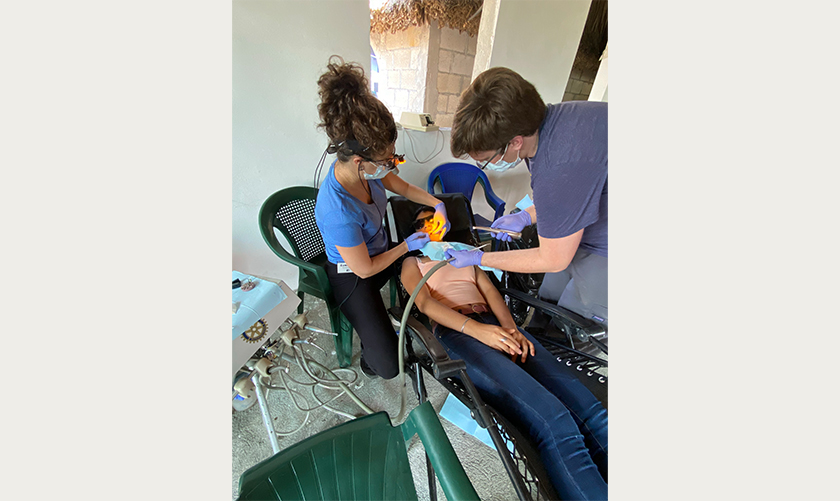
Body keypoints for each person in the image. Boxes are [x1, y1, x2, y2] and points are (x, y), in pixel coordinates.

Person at [401, 206, 608, 501]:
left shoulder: (463, 254)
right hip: (459, 332)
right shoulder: (414, 262)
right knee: (555, 422)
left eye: (436, 219)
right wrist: (478, 331)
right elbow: (425, 305)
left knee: (594, 414)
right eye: (424, 221)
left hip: (495, 323)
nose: (433, 224)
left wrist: (511, 329)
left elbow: (491, 292)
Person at [313, 56, 451, 379]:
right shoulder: (337, 210)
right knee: (390, 366)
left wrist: (436, 203)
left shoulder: (372, 172)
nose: (392, 164)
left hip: (380, 250)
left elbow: (399, 184)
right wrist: (405, 247)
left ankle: (413, 314)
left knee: (430, 255)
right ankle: (369, 356)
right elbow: (365, 268)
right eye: (387, 159)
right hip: (353, 273)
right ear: (360, 161)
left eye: (394, 156)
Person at [445, 67, 608, 327]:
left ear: (515, 142)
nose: (487, 165)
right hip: (583, 231)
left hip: (605, 251)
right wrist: (526, 215)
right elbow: (570, 196)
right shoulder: (556, 122)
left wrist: (480, 258)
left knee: (574, 329)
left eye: (486, 160)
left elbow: (553, 259)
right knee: (548, 302)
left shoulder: (560, 164)